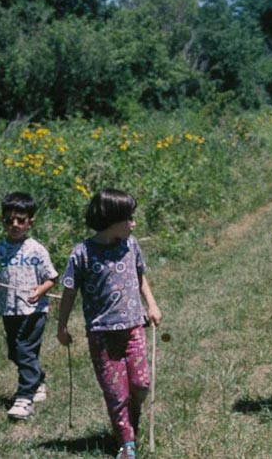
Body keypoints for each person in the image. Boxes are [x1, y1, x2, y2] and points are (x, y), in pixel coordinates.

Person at [57, 188, 162, 459]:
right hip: (102, 334)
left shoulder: (131, 245)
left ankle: (133, 413)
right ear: (110, 219)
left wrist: (151, 305)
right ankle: (126, 442)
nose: (133, 223)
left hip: (134, 327)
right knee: (116, 392)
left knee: (141, 384)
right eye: (129, 218)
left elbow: (140, 276)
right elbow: (69, 291)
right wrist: (62, 325)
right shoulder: (82, 253)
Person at [0, 192, 58, 420]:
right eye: (9, 220)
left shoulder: (36, 249)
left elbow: (52, 277)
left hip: (33, 311)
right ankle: (38, 378)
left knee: (25, 350)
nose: (15, 225)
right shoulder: (0, 249)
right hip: (8, 309)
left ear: (30, 222)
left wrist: (41, 290)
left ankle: (25, 397)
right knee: (15, 352)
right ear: (2, 220)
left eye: (20, 220)